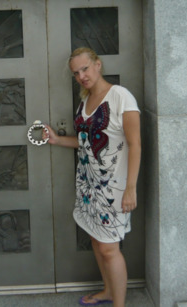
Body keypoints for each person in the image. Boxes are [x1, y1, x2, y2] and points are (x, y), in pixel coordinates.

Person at [44, 47, 141, 307]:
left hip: (114, 188)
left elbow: (135, 145)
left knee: (109, 248)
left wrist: (131, 188)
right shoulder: (84, 101)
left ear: (98, 65)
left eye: (85, 69)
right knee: (97, 241)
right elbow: (85, 142)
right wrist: (57, 140)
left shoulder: (121, 96)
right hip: (89, 186)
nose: (81, 76)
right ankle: (108, 291)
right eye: (76, 73)